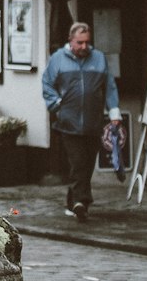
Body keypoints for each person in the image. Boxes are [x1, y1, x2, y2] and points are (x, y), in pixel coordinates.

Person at [42, 20, 121, 221]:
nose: (84, 47)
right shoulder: (58, 59)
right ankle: (82, 202)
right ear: (71, 40)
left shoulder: (99, 59)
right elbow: (47, 83)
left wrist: (114, 112)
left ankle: (73, 200)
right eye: (80, 43)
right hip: (69, 123)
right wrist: (57, 105)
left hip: (94, 122)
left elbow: (109, 86)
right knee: (78, 162)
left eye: (87, 42)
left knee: (86, 164)